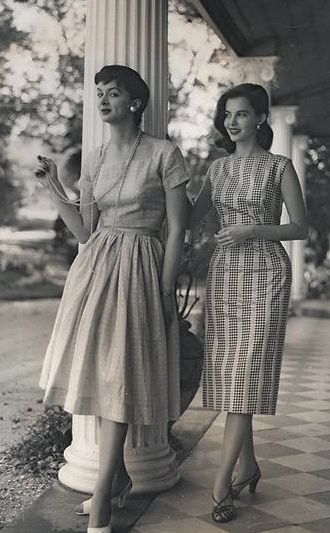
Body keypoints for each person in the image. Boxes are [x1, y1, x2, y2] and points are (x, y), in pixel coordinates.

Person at [35, 64, 189, 533]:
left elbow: (179, 226)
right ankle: (116, 476)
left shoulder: (164, 153)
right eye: (99, 92)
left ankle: (102, 490)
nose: (103, 100)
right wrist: (53, 187)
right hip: (96, 271)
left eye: (113, 93)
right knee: (102, 375)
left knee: (123, 375)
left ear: (135, 103)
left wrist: (166, 288)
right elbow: (84, 231)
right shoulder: (96, 160)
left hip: (142, 267)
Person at [190, 83, 307, 523]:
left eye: (240, 114)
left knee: (245, 373)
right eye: (227, 115)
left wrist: (250, 231)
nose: (231, 122)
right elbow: (193, 211)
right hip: (223, 277)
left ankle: (221, 484)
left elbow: (300, 228)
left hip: (266, 274)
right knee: (233, 377)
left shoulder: (279, 167)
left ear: (260, 118)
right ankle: (248, 466)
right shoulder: (217, 169)